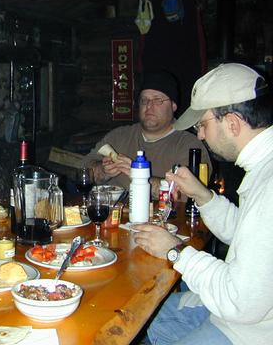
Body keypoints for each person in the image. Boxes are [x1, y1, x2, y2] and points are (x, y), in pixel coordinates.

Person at [134, 63, 273, 344]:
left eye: (203, 125)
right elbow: (245, 234)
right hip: (247, 314)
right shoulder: (263, 166)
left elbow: (240, 302)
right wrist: (203, 195)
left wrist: (175, 252)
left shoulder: (269, 182)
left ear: (232, 123)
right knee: (151, 316)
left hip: (251, 331)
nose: (200, 135)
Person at [82, 70, 212, 199]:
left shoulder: (190, 146)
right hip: (113, 216)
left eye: (158, 100)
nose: (149, 106)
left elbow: (188, 196)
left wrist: (139, 175)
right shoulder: (119, 136)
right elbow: (84, 171)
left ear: (173, 106)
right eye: (144, 100)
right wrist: (103, 171)